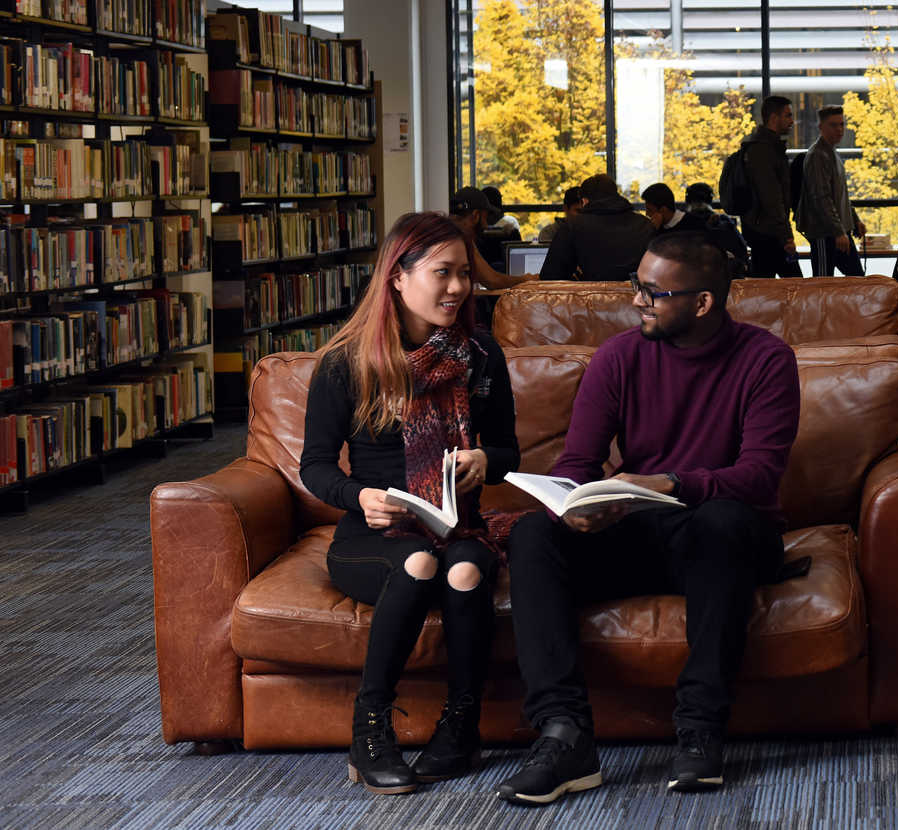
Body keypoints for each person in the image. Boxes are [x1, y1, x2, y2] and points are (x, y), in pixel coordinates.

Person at [495, 232, 800, 805]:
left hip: (728, 535)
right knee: (536, 533)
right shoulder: (618, 357)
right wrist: (577, 503)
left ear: (703, 302)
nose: (636, 300)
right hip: (639, 529)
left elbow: (759, 474)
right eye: (636, 285)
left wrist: (672, 482)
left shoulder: (766, 360)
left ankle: (701, 728)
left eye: (652, 292)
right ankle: (564, 736)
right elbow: (579, 462)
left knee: (722, 524)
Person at [298, 211, 520, 796]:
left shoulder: (481, 356)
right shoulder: (347, 362)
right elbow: (315, 467)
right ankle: (370, 728)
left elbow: (509, 450)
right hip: (375, 536)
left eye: (465, 275)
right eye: (442, 273)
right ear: (398, 275)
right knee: (421, 563)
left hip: (458, 524)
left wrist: (487, 463)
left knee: (468, 568)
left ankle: (461, 724)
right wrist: (360, 495)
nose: (458, 288)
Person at [540, 174, 656, 283]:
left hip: (591, 301)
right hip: (639, 300)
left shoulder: (573, 226)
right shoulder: (645, 224)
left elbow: (550, 277)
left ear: (585, 201)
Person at [738, 96, 803, 278]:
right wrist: (786, 237)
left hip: (763, 231)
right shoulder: (764, 150)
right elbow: (772, 197)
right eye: (788, 116)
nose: (792, 121)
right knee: (796, 288)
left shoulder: (763, 147)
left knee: (765, 286)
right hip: (769, 233)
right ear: (774, 118)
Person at [798, 105, 865, 277]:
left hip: (839, 231)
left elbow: (840, 194)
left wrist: (854, 220)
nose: (840, 129)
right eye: (833, 125)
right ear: (821, 127)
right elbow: (821, 198)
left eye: (842, 124)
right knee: (823, 284)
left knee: (858, 280)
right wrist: (838, 231)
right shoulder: (818, 155)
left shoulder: (832, 152)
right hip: (824, 233)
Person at [449, 187, 534, 289]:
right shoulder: (461, 237)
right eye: (485, 218)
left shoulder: (446, 232)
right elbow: (492, 281)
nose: (486, 225)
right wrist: (526, 279)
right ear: (476, 216)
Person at [680, 182, 752, 271]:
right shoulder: (725, 222)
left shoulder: (681, 224)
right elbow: (742, 250)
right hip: (723, 275)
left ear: (687, 199)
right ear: (710, 199)